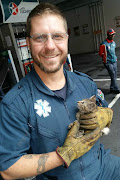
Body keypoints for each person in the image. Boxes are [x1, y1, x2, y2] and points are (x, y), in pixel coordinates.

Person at [0, 3, 119, 180]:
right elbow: (8, 169)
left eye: (57, 36)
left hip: (104, 168)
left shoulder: (86, 83)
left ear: (66, 39)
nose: (50, 46)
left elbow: (103, 113)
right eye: (40, 37)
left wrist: (106, 115)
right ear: (28, 42)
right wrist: (63, 155)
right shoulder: (15, 104)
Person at [99, 28, 120, 94]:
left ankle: (112, 87)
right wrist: (104, 57)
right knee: (113, 74)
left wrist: (115, 59)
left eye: (113, 34)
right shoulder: (104, 44)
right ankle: (115, 88)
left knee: (114, 75)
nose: (113, 36)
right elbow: (100, 53)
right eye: (112, 34)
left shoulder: (113, 43)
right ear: (108, 35)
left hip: (114, 61)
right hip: (108, 62)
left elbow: (113, 52)